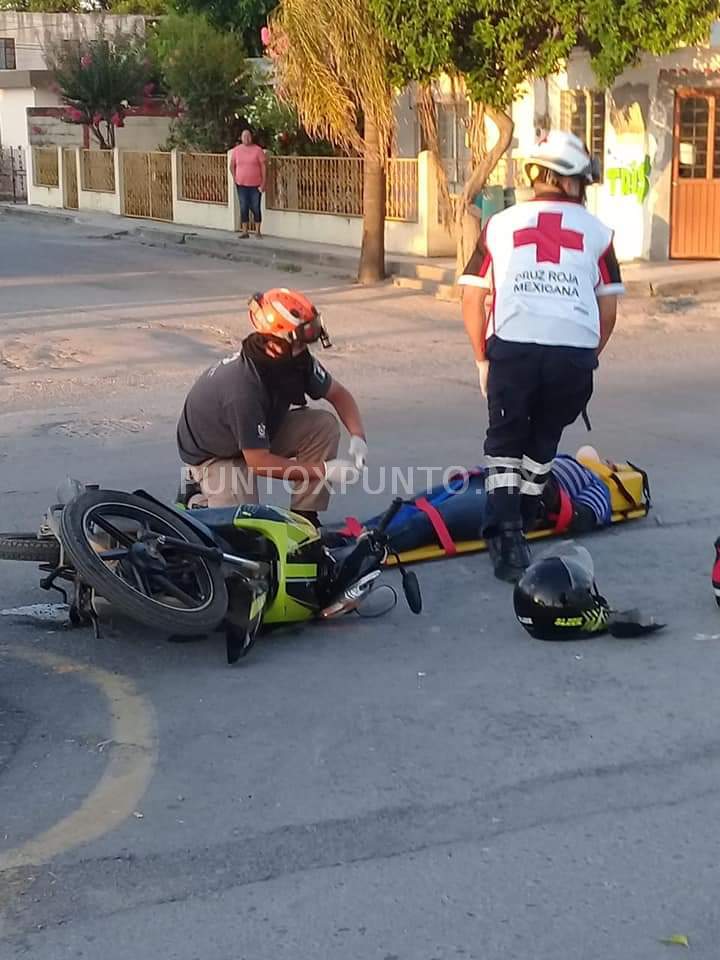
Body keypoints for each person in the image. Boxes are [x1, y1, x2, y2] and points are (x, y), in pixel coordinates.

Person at [459, 130, 624, 583]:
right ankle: (526, 515)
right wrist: (586, 355)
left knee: (504, 445)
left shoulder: (500, 225)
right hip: (572, 356)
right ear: (573, 182)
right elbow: (607, 311)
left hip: (513, 348)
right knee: (543, 439)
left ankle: (506, 537)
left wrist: (481, 360)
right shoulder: (600, 233)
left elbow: (471, 299)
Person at [177, 288, 368, 527]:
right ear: (276, 345)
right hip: (216, 454)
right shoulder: (243, 388)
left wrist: (358, 437)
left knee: (323, 426)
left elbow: (339, 395)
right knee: (243, 528)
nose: (305, 349)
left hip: (256, 434)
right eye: (301, 341)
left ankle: (305, 518)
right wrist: (324, 471)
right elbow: (259, 461)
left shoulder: (294, 361)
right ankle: (198, 498)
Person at [230, 129, 267, 239]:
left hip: (256, 185)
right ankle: (245, 231)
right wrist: (235, 178)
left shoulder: (258, 150)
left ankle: (257, 231)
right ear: (241, 138)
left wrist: (263, 182)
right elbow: (231, 166)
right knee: (243, 207)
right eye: (244, 136)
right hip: (241, 185)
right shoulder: (236, 150)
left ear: (251, 137)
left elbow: (264, 167)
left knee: (256, 207)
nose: (246, 138)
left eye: (248, 136)